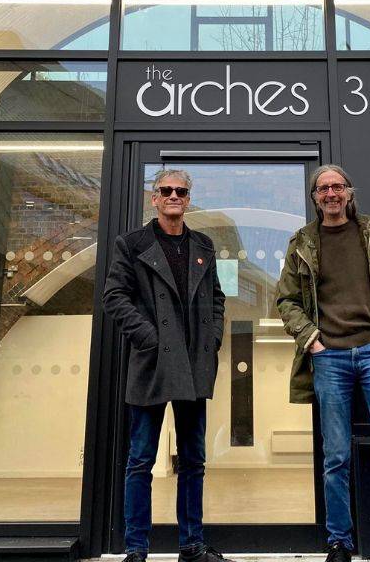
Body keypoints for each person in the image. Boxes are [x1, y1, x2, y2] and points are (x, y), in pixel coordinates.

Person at [276, 164, 370, 562]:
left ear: (349, 192)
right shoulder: (302, 242)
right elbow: (286, 300)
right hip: (329, 358)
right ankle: (339, 542)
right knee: (336, 457)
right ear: (315, 198)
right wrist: (311, 340)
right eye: (323, 188)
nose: (331, 193)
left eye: (338, 186)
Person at [103, 168, 231, 562]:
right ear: (154, 198)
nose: (174, 196)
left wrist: (212, 339)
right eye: (166, 190)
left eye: (181, 191)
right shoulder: (132, 244)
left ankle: (192, 547)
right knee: (141, 460)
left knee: (193, 461)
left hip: (193, 364)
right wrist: (149, 338)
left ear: (188, 199)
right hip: (153, 363)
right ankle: (136, 550)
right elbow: (114, 297)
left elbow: (217, 298)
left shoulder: (203, 245)